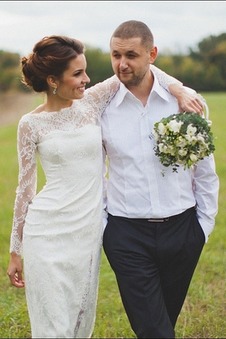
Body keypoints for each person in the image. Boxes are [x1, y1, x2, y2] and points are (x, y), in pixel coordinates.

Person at [6, 34, 204, 339]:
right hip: (44, 233)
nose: (87, 79)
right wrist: (16, 251)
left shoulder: (92, 102)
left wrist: (177, 88)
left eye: (85, 71)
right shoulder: (30, 125)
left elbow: (146, 68)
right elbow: (25, 189)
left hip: (87, 232)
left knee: (78, 321)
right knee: (53, 325)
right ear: (52, 79)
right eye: (77, 73)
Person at [102, 20, 219, 339]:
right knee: (154, 329)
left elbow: (206, 169)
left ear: (152, 54)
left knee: (163, 320)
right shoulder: (102, 106)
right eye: (115, 55)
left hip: (183, 231)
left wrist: (202, 227)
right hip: (126, 234)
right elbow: (95, 172)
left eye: (131, 55)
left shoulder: (186, 101)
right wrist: (106, 229)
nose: (121, 64)